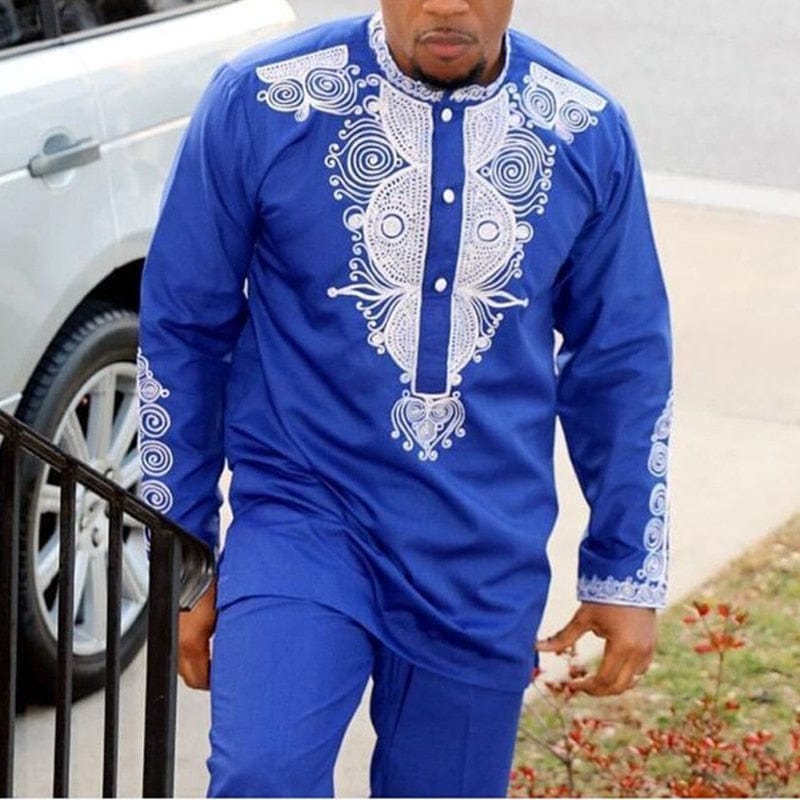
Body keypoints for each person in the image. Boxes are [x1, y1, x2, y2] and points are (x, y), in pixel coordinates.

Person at [137, 0, 672, 796]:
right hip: (304, 521)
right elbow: (183, 327)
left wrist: (624, 568)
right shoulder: (266, 99)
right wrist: (181, 551)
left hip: (482, 552)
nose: (446, 4)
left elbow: (622, 361)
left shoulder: (584, 129)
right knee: (262, 775)